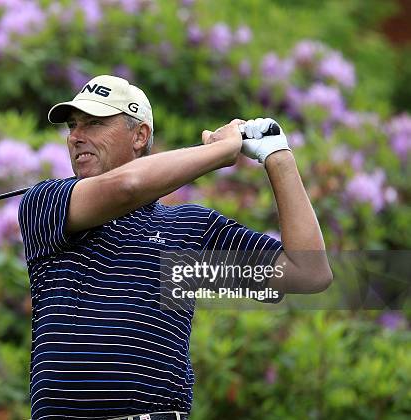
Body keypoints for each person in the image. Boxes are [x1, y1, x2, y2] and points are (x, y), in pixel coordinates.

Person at [18, 75, 332, 420]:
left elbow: (309, 273)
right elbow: (129, 186)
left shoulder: (188, 230)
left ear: (140, 136)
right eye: (73, 126)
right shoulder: (46, 205)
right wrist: (221, 151)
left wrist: (278, 155)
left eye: (93, 123)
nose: (76, 137)